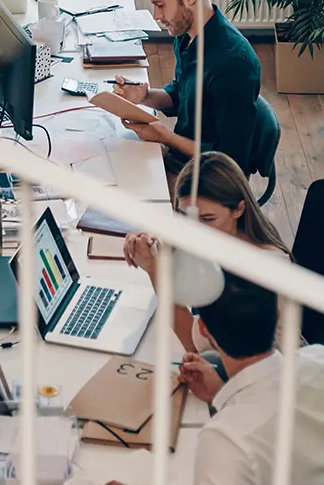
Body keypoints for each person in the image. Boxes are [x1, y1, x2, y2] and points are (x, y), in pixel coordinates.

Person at [97, 275, 324, 485]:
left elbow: (256, 429)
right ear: (278, 312)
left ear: (203, 329)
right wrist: (222, 392)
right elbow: (282, 421)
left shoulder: (227, 440)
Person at [123, 152, 293, 360]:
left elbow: (193, 344)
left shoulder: (256, 274)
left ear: (239, 209)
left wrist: (154, 269)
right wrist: (146, 242)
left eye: (208, 218)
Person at [112, 0, 261, 178]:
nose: (156, 15)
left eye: (160, 5)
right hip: (181, 158)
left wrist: (165, 137)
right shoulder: (187, 37)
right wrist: (144, 95)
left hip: (210, 179)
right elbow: (182, 94)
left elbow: (231, 161)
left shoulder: (233, 64)